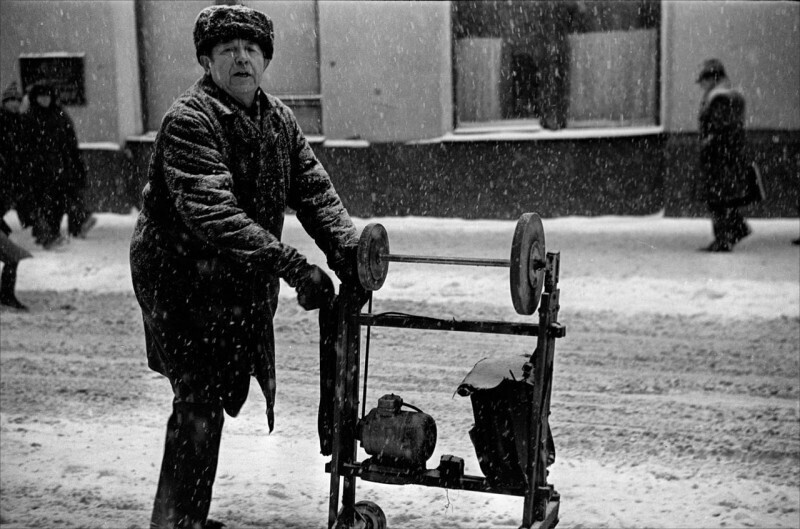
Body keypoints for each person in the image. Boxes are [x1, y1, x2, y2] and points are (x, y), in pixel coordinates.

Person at [128, 5, 364, 527]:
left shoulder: (277, 119)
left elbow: (314, 192)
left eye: (252, 49)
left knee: (213, 393)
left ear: (265, 60)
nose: (241, 58)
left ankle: (185, 515)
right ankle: (176, 522)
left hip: (234, 280)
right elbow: (216, 214)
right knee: (199, 398)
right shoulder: (189, 120)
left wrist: (351, 253)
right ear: (207, 60)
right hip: (179, 281)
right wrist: (292, 265)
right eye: (228, 50)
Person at [24, 81, 95, 249]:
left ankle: (71, 229)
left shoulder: (60, 116)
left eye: (47, 95)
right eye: (41, 96)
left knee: (63, 201)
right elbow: (28, 148)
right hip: (41, 172)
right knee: (47, 205)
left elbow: (71, 144)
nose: (44, 100)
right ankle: (49, 236)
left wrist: (76, 166)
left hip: (63, 168)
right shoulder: (30, 118)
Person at [696, 58, 751, 252]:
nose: (701, 85)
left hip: (719, 158)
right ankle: (732, 231)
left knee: (718, 199)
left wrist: (708, 144)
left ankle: (724, 238)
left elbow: (720, 130)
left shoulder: (719, 98)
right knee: (724, 198)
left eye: (703, 80)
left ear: (713, 78)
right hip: (728, 156)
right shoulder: (729, 95)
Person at [1, 81, 31, 310]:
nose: (14, 104)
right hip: (7, 187)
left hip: (9, 188)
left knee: (11, 254)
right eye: (10, 100)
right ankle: (6, 294)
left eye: (16, 100)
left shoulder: (21, 125)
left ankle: (6, 294)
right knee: (12, 255)